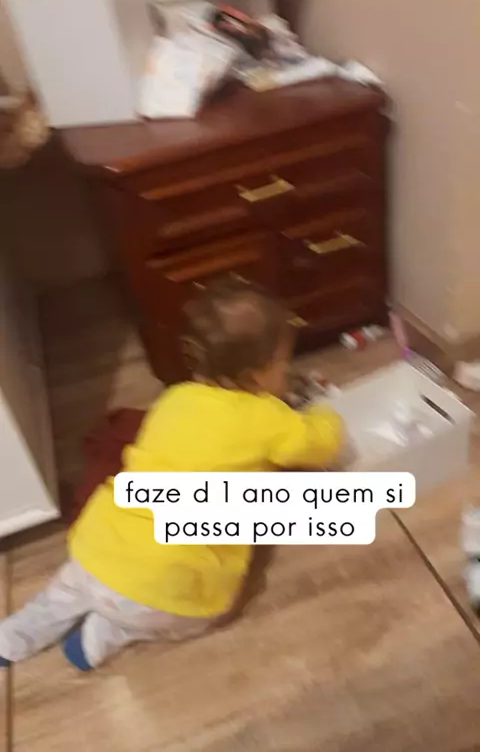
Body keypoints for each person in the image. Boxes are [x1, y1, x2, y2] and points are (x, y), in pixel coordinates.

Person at [0, 276, 346, 671]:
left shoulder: (174, 399)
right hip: (166, 586)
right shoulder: (268, 419)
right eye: (283, 364)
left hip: (97, 549)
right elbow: (320, 444)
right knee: (201, 613)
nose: (287, 371)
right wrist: (326, 415)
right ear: (257, 374)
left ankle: (12, 638)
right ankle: (104, 636)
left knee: (58, 598)